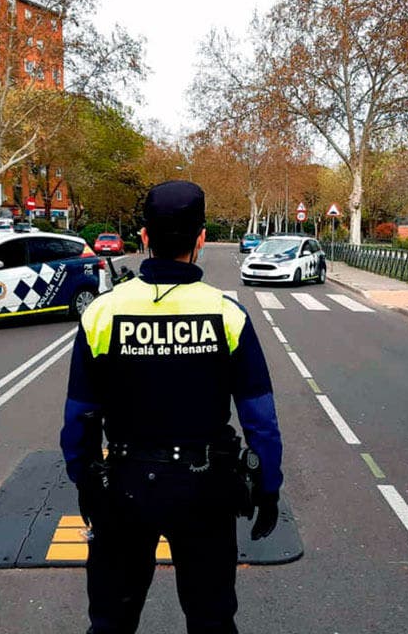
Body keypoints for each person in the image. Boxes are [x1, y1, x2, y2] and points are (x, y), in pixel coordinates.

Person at [61, 180, 283, 634]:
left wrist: (84, 479)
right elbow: (259, 416)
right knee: (211, 620)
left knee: (111, 621)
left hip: (123, 487)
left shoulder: (103, 312)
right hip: (205, 490)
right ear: (201, 239)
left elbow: (79, 413)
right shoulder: (228, 315)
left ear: (144, 237)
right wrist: (268, 486)